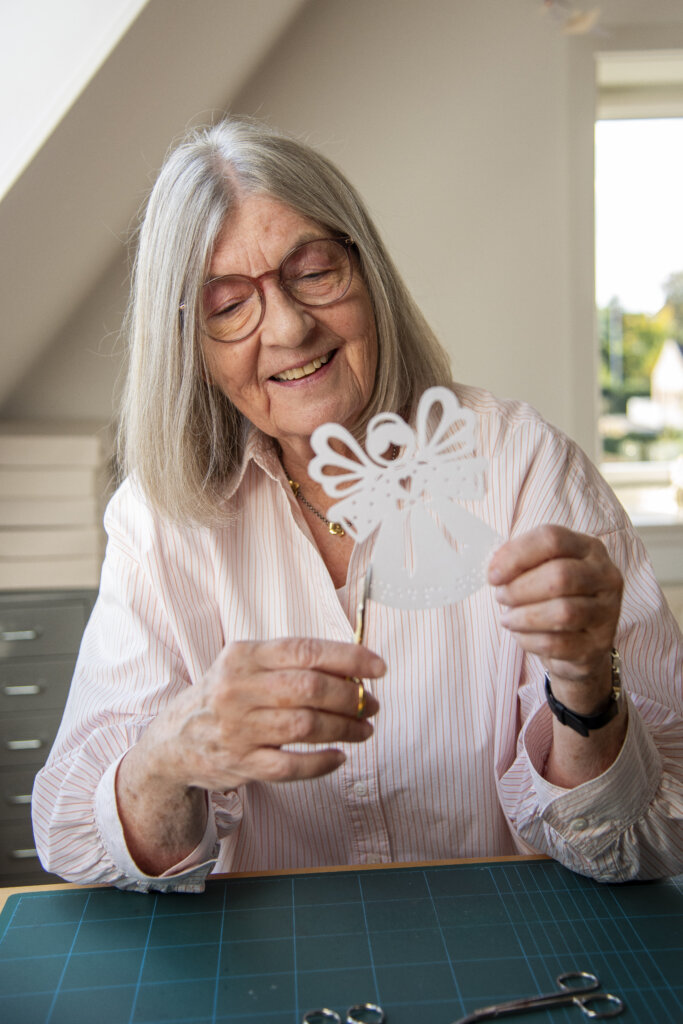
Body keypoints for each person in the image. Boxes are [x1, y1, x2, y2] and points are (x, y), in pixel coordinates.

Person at [32, 119, 682, 893]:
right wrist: (170, 756)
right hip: (271, 972)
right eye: (227, 305)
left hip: (506, 948)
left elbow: (649, 839)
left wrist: (585, 686)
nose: (288, 326)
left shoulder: (519, 463)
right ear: (187, 344)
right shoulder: (158, 519)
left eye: (312, 273)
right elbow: (74, 843)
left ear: (366, 271)